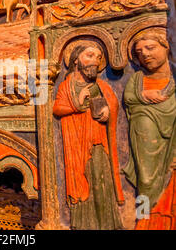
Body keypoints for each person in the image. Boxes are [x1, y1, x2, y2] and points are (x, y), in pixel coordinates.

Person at [53, 42, 124, 230]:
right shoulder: (66, 86)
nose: (95, 61)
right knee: (81, 181)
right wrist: (77, 103)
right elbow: (57, 108)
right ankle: (85, 224)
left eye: (98, 58)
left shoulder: (100, 85)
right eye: (89, 55)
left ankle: (109, 224)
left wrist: (108, 112)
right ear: (76, 60)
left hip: (97, 142)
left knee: (101, 180)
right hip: (75, 143)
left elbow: (112, 104)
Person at [123, 28, 176, 230]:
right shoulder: (137, 80)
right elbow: (128, 97)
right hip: (144, 137)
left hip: (171, 141)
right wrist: (145, 96)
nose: (144, 54)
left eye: (150, 48)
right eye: (139, 52)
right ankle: (143, 218)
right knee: (145, 179)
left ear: (166, 46)